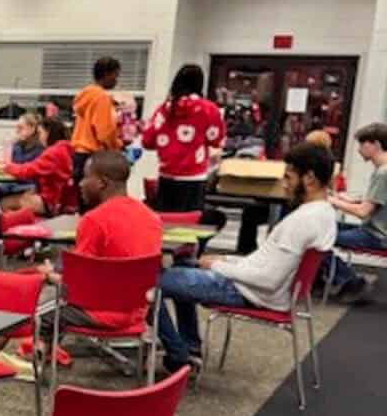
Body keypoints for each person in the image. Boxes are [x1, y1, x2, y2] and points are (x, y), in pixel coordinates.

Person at [157, 142, 337, 373]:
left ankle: (178, 357)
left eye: (289, 177)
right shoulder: (323, 213)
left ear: (309, 178)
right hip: (253, 287)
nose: (284, 185)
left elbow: (268, 279)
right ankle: (189, 348)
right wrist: (228, 261)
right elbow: (266, 264)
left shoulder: (303, 221)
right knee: (183, 264)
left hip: (246, 291)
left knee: (145, 283)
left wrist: (220, 266)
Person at [36, 150, 162, 343]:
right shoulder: (152, 217)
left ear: (102, 183)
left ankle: (36, 362)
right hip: (138, 311)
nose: (80, 184)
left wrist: (49, 276)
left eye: (85, 178)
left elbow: (76, 285)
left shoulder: (94, 220)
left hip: (100, 311)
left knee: (37, 313)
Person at [141, 64, 226, 213]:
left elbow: (147, 141)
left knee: (165, 223)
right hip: (194, 177)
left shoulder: (164, 109)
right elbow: (216, 139)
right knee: (189, 226)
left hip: (166, 177)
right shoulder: (208, 109)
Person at [323, 122, 387, 303]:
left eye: (362, 144)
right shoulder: (383, 169)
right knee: (323, 229)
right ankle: (329, 278)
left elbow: (363, 212)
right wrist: (345, 199)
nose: (359, 150)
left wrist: (332, 200)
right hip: (377, 230)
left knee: (315, 237)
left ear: (376, 145)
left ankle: (352, 282)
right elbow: (376, 202)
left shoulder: (383, 173)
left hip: (377, 235)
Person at [0, 117, 73, 230]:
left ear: (48, 132)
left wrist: (6, 167)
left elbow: (28, 170)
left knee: (4, 203)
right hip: (58, 198)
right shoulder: (65, 148)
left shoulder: (53, 152)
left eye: (40, 133)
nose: (39, 137)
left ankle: (14, 237)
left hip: (51, 201)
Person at [0, 112, 43, 239]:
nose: (17, 131)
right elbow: (8, 163)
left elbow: (24, 168)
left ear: (32, 129)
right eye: (17, 127)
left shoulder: (39, 148)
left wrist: (8, 165)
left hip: (28, 185)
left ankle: (3, 234)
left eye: (21, 128)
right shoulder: (16, 145)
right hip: (13, 183)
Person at [71, 57, 122, 188]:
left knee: (82, 199)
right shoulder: (101, 98)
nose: (116, 80)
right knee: (96, 202)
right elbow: (104, 133)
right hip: (93, 156)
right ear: (106, 74)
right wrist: (117, 146)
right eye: (115, 75)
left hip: (78, 154)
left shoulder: (85, 95)